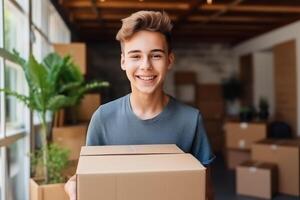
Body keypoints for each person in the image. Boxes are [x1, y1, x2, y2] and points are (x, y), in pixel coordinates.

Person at [65, 10, 215, 200]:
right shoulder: (103, 118)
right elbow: (87, 179)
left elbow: (206, 192)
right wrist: (73, 186)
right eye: (135, 56)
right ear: (123, 61)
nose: (146, 66)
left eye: (156, 56)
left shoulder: (191, 120)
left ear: (170, 60)